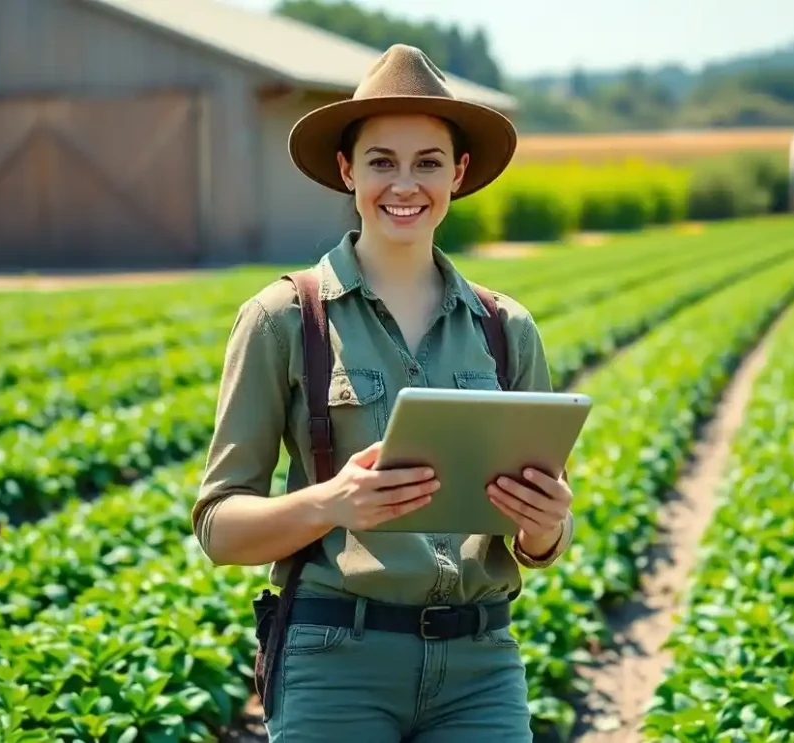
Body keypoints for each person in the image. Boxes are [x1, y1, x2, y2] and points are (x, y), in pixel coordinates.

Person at [190, 44, 576, 742]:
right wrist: (330, 501)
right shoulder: (284, 318)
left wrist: (545, 524)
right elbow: (219, 525)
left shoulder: (503, 326)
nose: (405, 184)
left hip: (481, 665)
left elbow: (542, 537)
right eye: (381, 161)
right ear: (347, 170)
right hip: (336, 660)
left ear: (458, 173)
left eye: (428, 161)